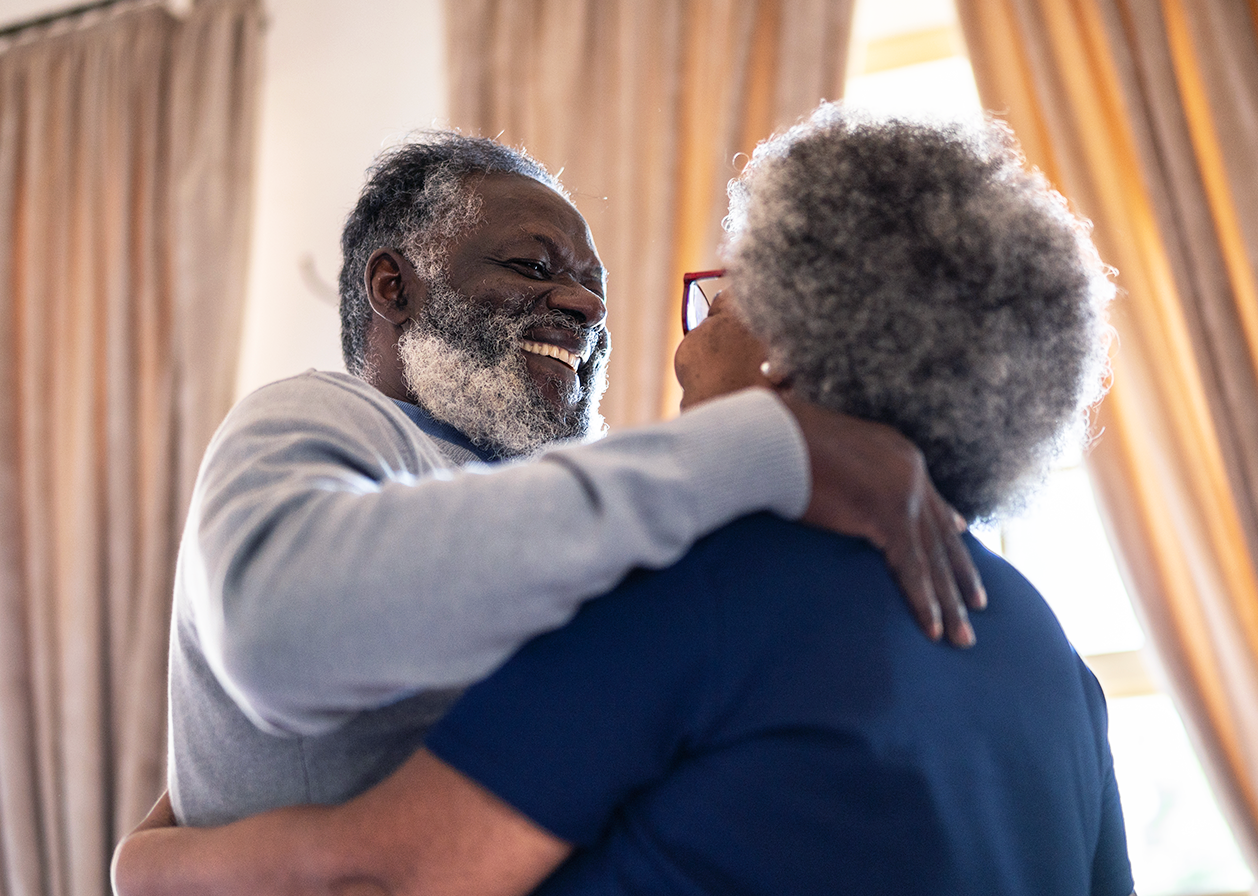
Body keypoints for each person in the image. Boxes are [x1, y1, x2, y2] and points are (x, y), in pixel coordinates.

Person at [114, 107, 1133, 895]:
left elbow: (381, 871)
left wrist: (153, 862)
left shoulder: (700, 591)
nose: (602, 312)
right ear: (393, 287)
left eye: (722, 295)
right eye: (532, 266)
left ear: (795, 343)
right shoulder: (1046, 653)